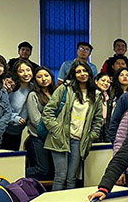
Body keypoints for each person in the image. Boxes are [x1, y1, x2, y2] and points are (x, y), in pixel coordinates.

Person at [43, 61, 103, 190]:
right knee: (60, 177)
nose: (82, 74)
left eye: (85, 71)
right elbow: (48, 111)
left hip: (79, 140)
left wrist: (91, 135)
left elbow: (98, 120)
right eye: (78, 71)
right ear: (73, 74)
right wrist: (56, 130)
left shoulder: (96, 94)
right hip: (60, 138)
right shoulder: (65, 89)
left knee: (72, 179)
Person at [25, 67, 55, 179]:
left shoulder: (56, 93)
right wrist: (53, 129)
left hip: (54, 138)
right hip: (38, 137)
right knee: (42, 170)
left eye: (46, 76)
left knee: (53, 171)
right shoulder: (33, 95)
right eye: (39, 77)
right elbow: (35, 120)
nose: (43, 79)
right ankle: (15, 174)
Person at [2, 60, 34, 150]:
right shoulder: (10, 87)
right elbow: (2, 108)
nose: (26, 74)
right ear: (16, 73)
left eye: (28, 70)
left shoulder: (33, 88)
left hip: (18, 131)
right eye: (21, 71)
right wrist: (14, 118)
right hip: (4, 129)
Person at [94, 72, 114, 142]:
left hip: (103, 131)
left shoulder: (108, 98)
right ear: (96, 81)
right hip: (93, 130)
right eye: (103, 80)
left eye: (108, 82)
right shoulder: (92, 96)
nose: (106, 83)